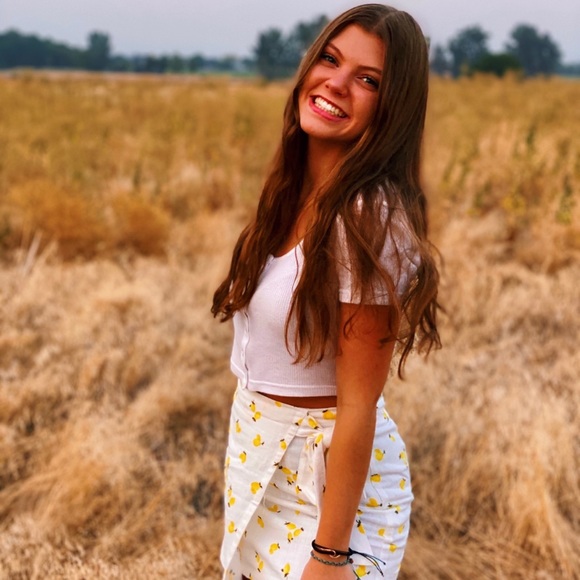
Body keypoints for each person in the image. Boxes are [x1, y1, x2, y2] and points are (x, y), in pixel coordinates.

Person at [212, 4, 441, 579]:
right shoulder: (293, 190)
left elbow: (358, 404)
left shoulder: (369, 217)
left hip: (325, 490)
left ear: (392, 109)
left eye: (368, 80)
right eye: (330, 60)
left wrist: (329, 555)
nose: (336, 83)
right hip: (258, 458)